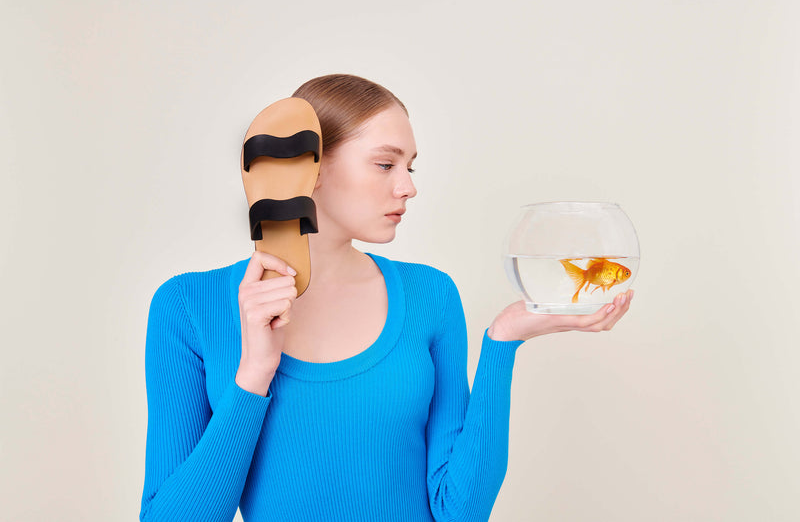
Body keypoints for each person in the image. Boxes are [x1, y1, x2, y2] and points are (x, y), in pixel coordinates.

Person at [139, 74, 633, 522]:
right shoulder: (187, 307)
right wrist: (253, 375)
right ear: (306, 169)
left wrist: (502, 343)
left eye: (411, 166)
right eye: (385, 164)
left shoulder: (430, 296)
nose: (409, 187)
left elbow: (458, 513)